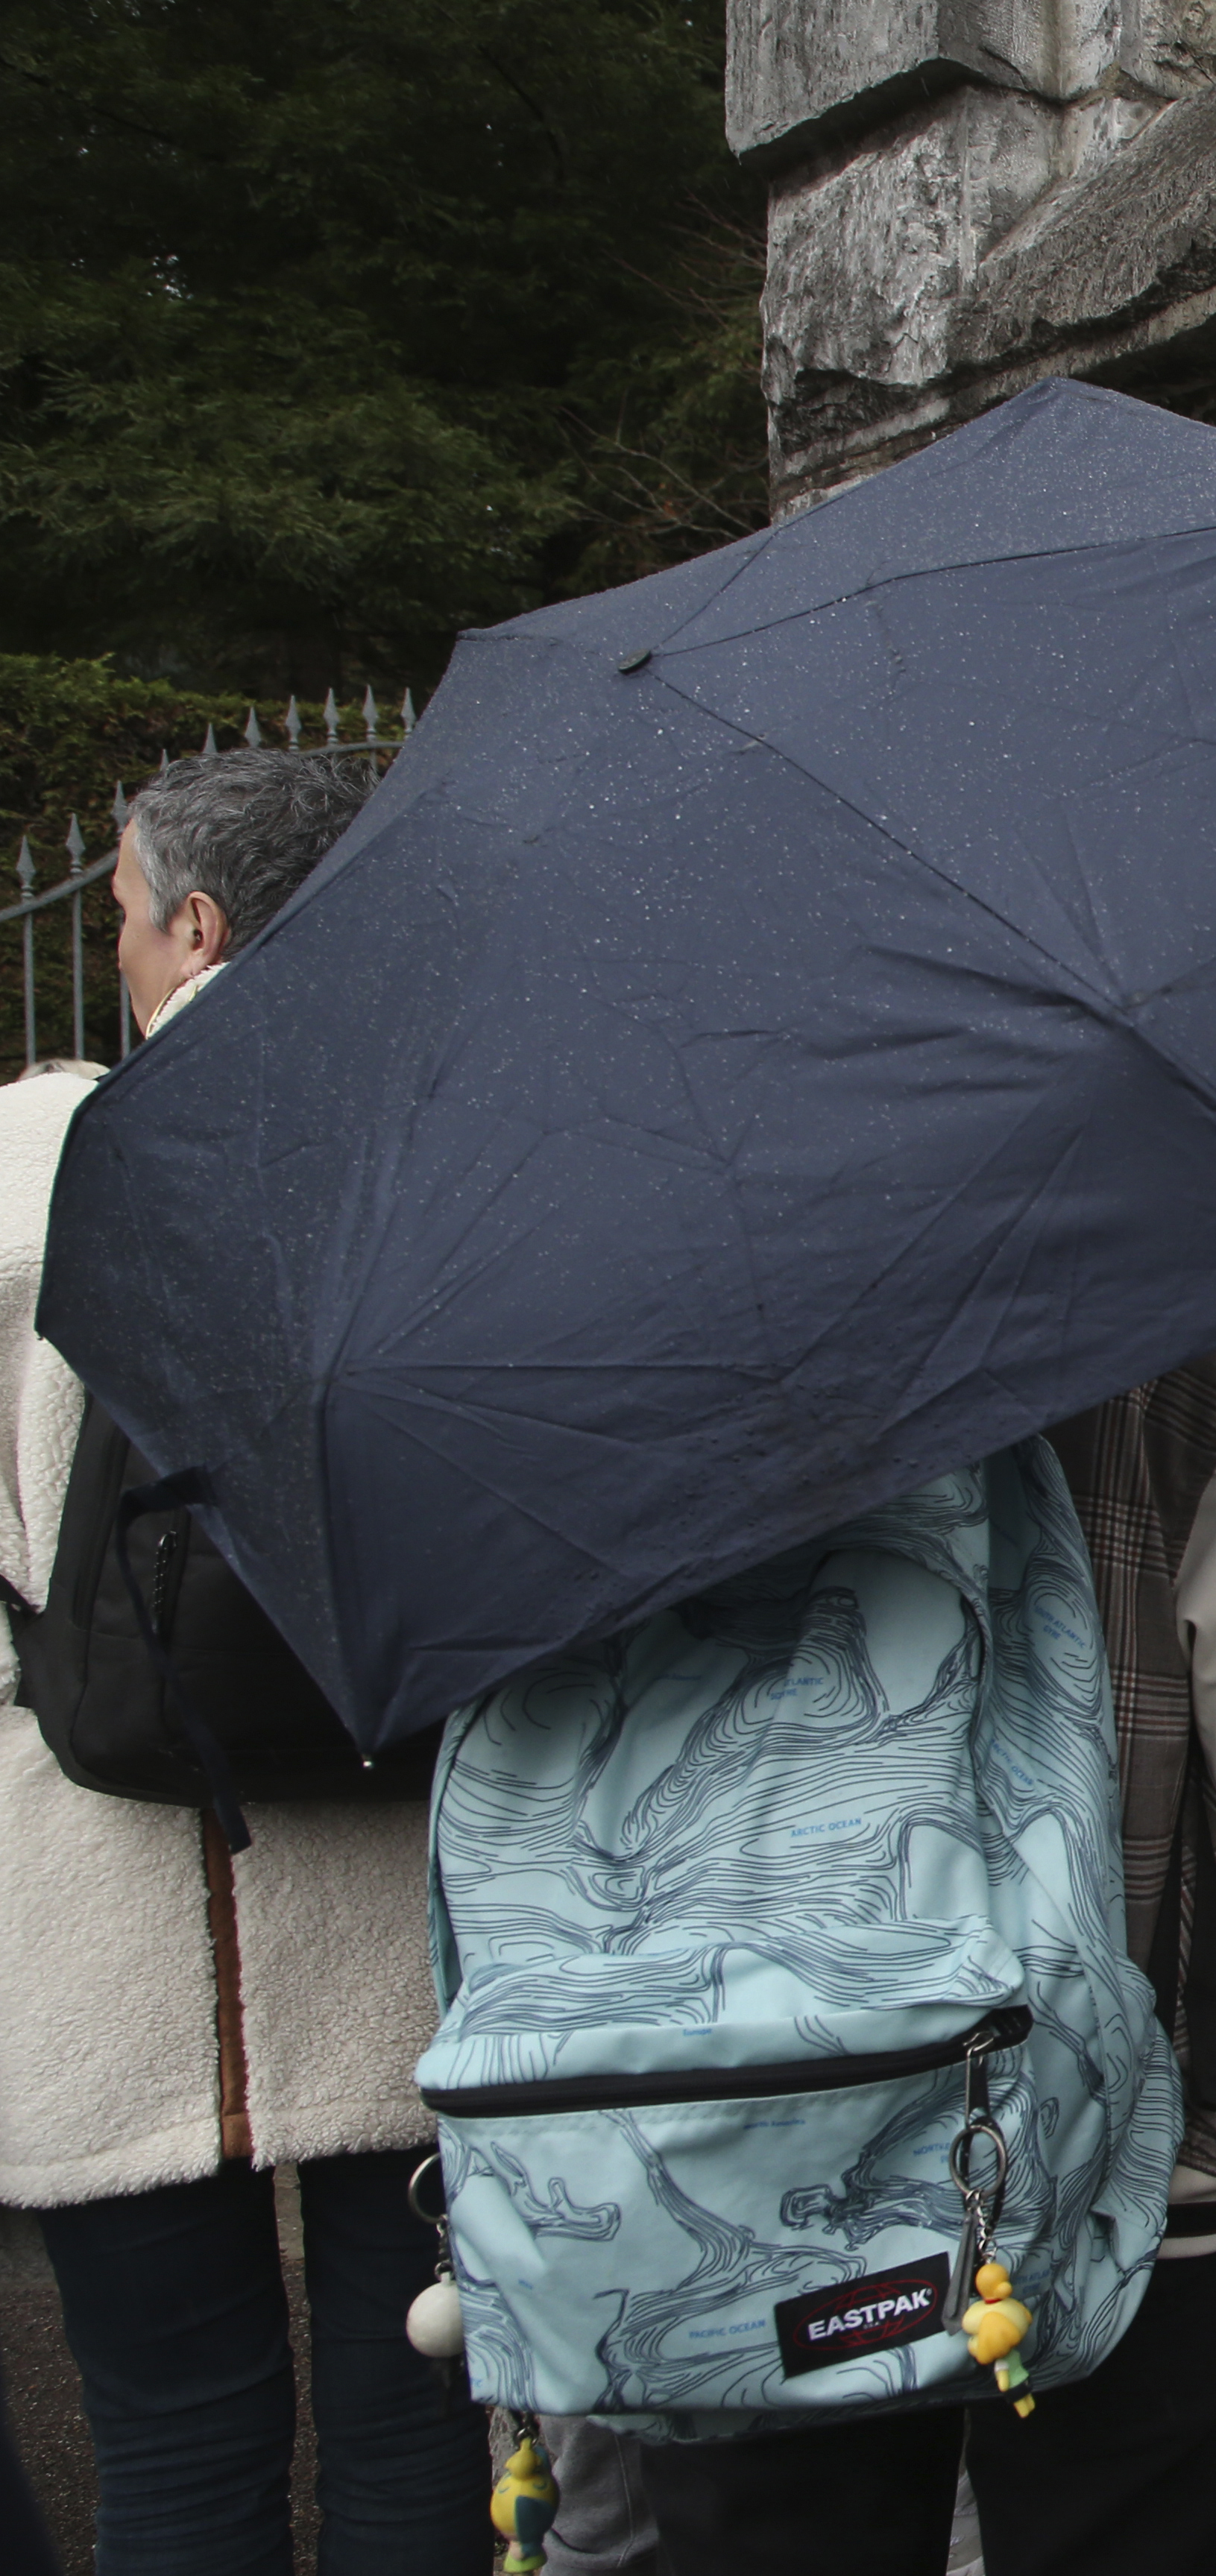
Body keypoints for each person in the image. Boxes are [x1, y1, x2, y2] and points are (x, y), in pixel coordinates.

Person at [637, 1263, 1216, 2576]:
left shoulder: (576, 1322)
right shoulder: (1189, 1293)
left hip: (722, 2140)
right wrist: (1193, 1967)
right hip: (1142, 2144)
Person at [0, 750, 482, 2574]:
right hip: (394, 1901)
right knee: (420, 2421)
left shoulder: (22, 1176)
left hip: (86, 1910)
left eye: (118, 911)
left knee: (177, 2444)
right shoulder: (437, 1153)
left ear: (192, 924)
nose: (114, 942)